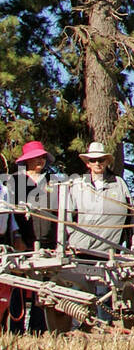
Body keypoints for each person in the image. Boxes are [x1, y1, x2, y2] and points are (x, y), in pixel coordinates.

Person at [3, 141, 66, 332]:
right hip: (21, 242)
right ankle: (15, 329)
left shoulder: (55, 182)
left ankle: (39, 330)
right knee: (17, 286)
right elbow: (9, 214)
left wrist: (62, 241)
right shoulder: (13, 183)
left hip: (49, 243)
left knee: (44, 288)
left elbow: (63, 213)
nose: (40, 160)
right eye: (36, 157)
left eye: (42, 157)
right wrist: (17, 237)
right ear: (27, 160)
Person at [67, 142, 132, 255]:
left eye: (101, 159)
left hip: (111, 251)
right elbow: (67, 217)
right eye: (93, 160)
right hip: (80, 249)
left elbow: (131, 216)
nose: (97, 163)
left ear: (107, 162)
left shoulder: (119, 184)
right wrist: (75, 238)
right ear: (88, 163)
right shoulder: (77, 185)